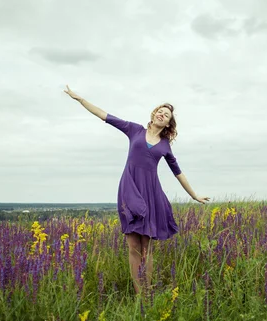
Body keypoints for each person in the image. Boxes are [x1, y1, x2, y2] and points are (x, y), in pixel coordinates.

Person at [64, 85, 210, 294]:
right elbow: (104, 115)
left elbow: (178, 172)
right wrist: (80, 99)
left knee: (146, 247)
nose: (162, 114)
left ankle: (147, 293)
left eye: (166, 114)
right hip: (129, 189)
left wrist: (194, 195)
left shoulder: (165, 145)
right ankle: (138, 292)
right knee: (133, 245)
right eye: (160, 110)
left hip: (151, 194)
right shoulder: (134, 130)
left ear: (168, 123)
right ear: (154, 114)